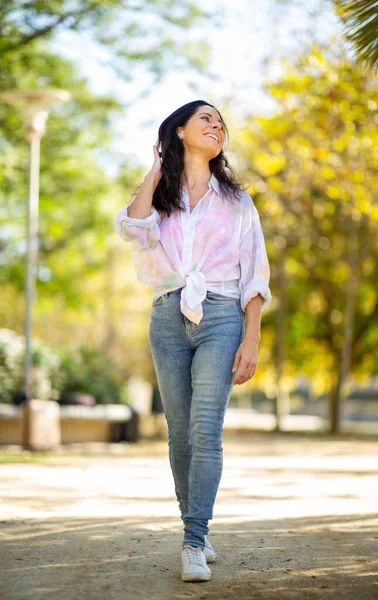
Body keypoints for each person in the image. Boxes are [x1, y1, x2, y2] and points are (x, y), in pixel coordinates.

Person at [113, 100, 272, 583]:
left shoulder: (237, 200)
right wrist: (156, 169)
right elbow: (131, 228)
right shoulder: (159, 193)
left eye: (220, 122)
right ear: (179, 131)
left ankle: (194, 539)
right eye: (205, 118)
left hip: (223, 315)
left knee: (206, 431)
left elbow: (255, 271)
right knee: (179, 432)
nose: (216, 125)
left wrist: (252, 338)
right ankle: (194, 525)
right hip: (166, 314)